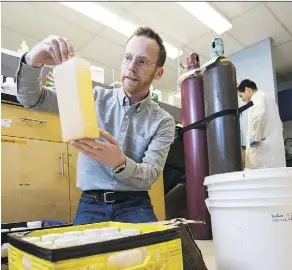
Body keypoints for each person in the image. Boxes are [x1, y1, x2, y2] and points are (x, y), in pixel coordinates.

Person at [16, 27, 176, 224]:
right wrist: (33, 59)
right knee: (83, 254)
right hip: (91, 203)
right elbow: (32, 99)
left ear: (158, 72)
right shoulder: (92, 97)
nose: (131, 66)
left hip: (135, 203)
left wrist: (120, 163)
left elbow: (150, 174)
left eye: (142, 61)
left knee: (150, 253)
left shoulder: (163, 121)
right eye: (127, 57)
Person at [237, 79, 286, 169]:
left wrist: (255, 138)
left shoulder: (258, 98)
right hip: (273, 150)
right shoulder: (268, 98)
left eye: (241, 96)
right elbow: (279, 124)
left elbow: (259, 115)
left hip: (263, 151)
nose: (242, 99)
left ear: (248, 90)